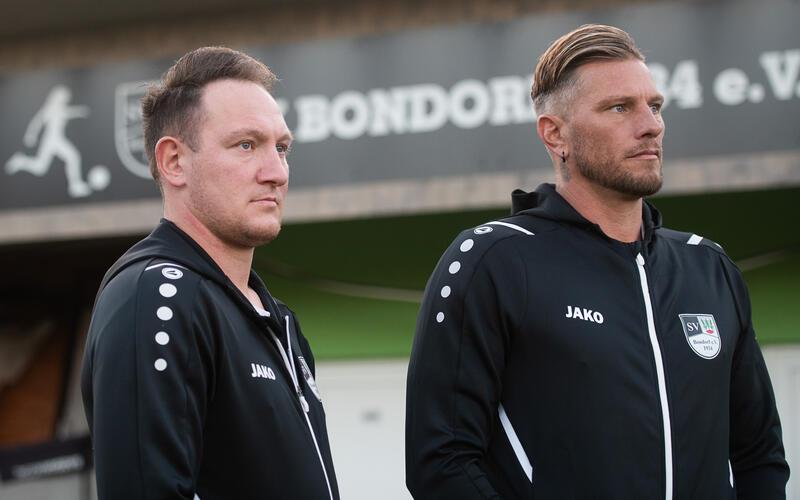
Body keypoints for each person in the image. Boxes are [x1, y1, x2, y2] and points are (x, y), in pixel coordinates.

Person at [405, 24, 789, 499]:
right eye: (619, 107)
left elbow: (760, 456)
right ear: (555, 135)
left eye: (654, 106)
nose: (650, 124)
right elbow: (441, 463)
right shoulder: (492, 260)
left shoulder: (709, 267)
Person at [81, 47, 339, 500]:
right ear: (174, 162)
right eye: (246, 145)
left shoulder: (278, 320)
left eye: (281, 148)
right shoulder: (154, 296)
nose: (276, 172)